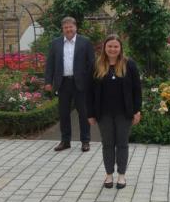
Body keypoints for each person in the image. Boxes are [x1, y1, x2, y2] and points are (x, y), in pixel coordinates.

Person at [87, 35, 142, 189]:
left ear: (120, 48)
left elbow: (137, 90)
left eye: (115, 46)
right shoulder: (96, 65)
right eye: (110, 46)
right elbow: (89, 91)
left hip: (124, 113)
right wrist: (90, 114)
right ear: (105, 47)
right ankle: (109, 175)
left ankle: (122, 176)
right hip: (103, 113)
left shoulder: (129, 64)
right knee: (107, 144)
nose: (112, 49)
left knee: (122, 144)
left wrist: (137, 111)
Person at [44, 17, 95, 152]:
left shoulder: (85, 42)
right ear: (63, 29)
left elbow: (92, 64)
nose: (68, 30)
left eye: (70, 27)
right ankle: (65, 141)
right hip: (63, 83)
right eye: (66, 27)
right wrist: (48, 81)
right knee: (64, 113)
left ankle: (85, 141)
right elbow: (50, 64)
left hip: (81, 84)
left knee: (83, 113)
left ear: (75, 27)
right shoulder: (55, 43)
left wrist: (92, 82)